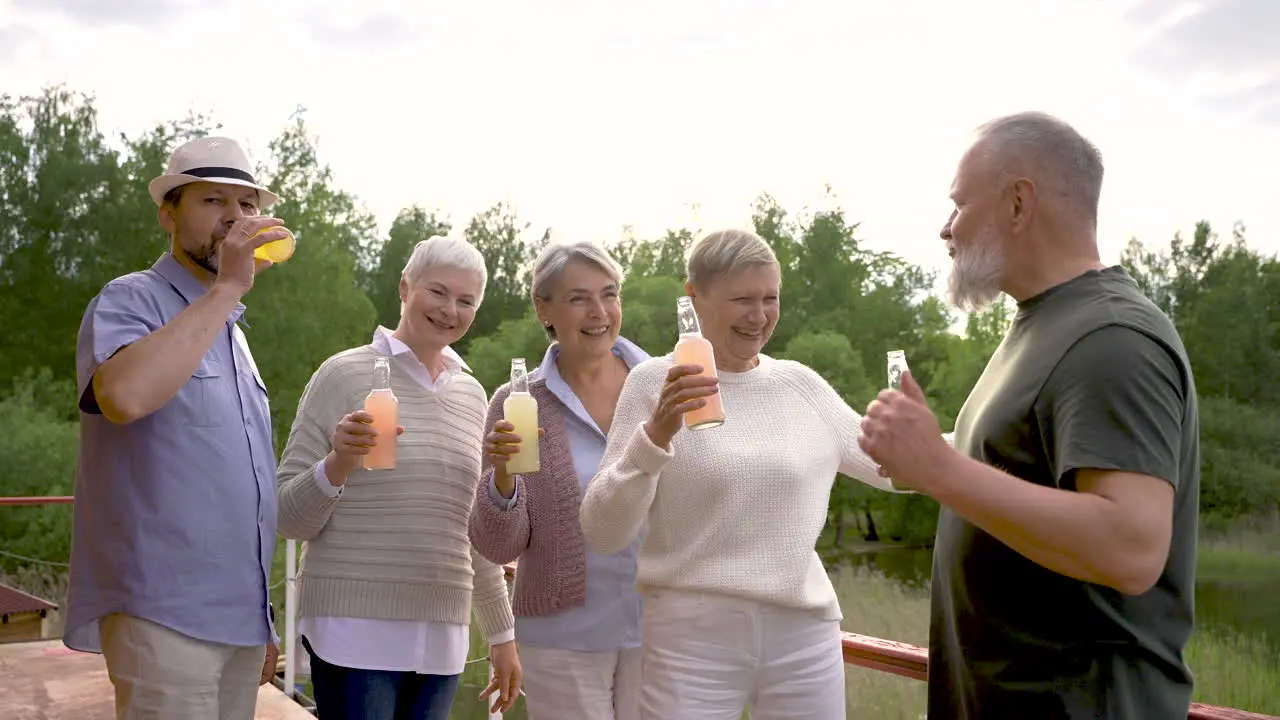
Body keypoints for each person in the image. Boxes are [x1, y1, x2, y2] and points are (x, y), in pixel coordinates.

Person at [858, 111, 1200, 719]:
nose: (945, 228)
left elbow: (1131, 548)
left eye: (959, 205)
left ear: (1018, 203)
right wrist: (921, 455)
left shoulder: (1111, 337)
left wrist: (939, 468)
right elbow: (1017, 468)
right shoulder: (1045, 323)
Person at [579, 228, 908, 720]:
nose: (759, 317)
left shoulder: (800, 385)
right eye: (742, 300)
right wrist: (656, 434)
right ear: (695, 297)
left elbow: (900, 469)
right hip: (690, 637)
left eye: (770, 298)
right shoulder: (654, 384)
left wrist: (994, 435)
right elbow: (603, 531)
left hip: (804, 633)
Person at [67, 136, 289, 719]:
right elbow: (123, 395)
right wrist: (229, 289)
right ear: (169, 213)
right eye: (214, 202)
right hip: (162, 613)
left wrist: (260, 618)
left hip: (237, 621)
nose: (234, 220)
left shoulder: (234, 334)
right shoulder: (130, 299)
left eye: (246, 206)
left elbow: (242, 486)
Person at [275, 235, 521, 720]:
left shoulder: (474, 397)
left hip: (442, 638)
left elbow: (474, 529)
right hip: (353, 630)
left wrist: (502, 634)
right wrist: (338, 462)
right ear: (405, 288)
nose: (451, 309)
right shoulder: (342, 375)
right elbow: (285, 516)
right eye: (438, 291)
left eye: (466, 300)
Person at [469, 240, 649, 720]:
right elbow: (498, 547)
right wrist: (502, 477)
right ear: (543, 308)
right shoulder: (517, 402)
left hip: (663, 626)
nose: (599, 312)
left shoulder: (662, 385)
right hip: (563, 634)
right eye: (578, 298)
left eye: (609, 295)